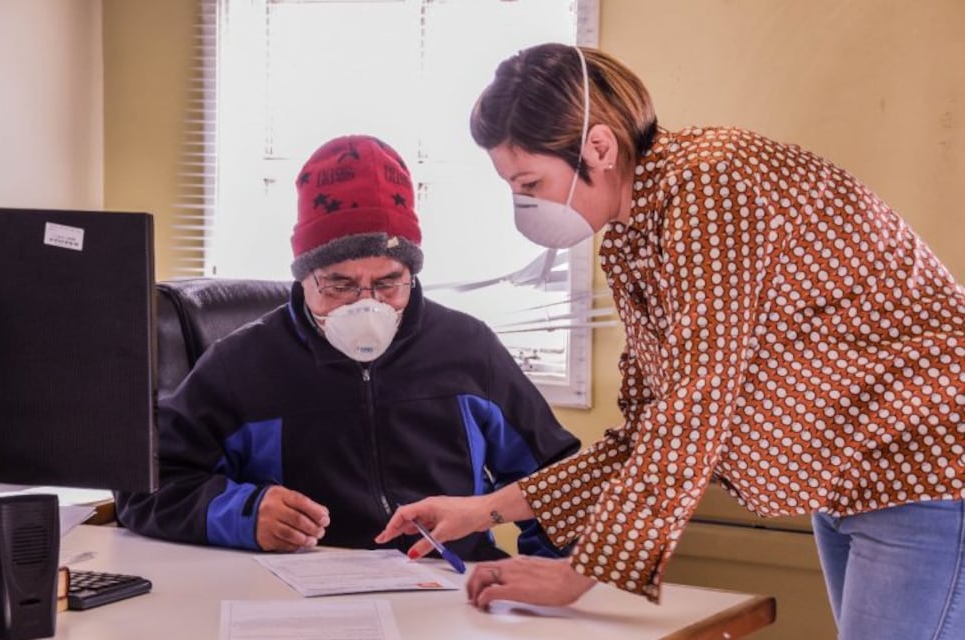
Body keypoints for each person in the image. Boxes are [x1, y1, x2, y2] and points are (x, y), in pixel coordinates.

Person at [376, 43, 965, 640]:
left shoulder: (712, 184)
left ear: (598, 148)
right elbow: (644, 431)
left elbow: (694, 403)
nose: (524, 205)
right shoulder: (634, 237)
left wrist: (577, 575)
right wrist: (484, 510)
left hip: (929, 463)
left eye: (530, 182)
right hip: (852, 480)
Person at [115, 134, 580, 562]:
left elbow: (559, 481)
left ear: (411, 272)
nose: (367, 304)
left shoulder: (468, 348)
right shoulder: (243, 365)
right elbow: (144, 487)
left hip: (451, 595)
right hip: (300, 600)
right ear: (303, 275)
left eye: (388, 282)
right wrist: (244, 514)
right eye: (339, 284)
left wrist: (551, 579)